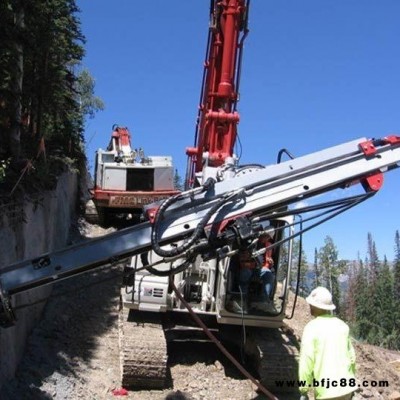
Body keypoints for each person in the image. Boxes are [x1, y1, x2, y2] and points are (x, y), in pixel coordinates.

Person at [299, 286, 356, 400]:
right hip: (347, 389)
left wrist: (304, 389)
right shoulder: (342, 326)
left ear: (314, 306)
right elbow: (352, 358)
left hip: (327, 392)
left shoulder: (311, 328)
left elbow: (307, 360)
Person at [232, 232, 276, 314]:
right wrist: (253, 263)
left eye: (268, 237)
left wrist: (270, 262)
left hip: (261, 268)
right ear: (261, 235)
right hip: (247, 267)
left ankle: (263, 302)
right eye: (265, 236)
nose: (266, 239)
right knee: (245, 273)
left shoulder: (268, 245)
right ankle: (242, 301)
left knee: (269, 275)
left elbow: (267, 261)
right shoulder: (250, 243)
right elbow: (242, 260)